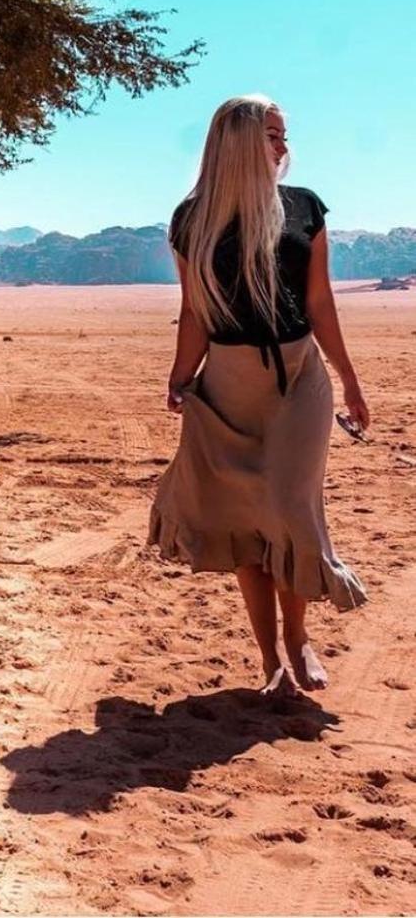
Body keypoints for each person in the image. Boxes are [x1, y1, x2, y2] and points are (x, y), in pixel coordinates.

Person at [148, 95, 370, 694]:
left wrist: (349, 381)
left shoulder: (302, 208)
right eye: (272, 135)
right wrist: (179, 376)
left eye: (284, 135)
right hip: (227, 383)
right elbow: (194, 310)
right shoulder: (191, 219)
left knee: (291, 509)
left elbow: (320, 302)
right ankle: (269, 657)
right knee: (247, 521)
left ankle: (299, 640)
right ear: (240, 141)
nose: (282, 146)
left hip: (299, 379)